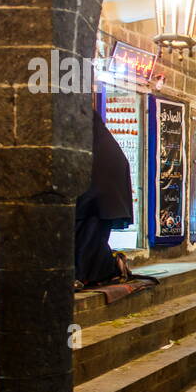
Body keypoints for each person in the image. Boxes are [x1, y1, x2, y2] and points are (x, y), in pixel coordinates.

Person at [74, 111, 134, 289]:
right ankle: (105, 269)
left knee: (85, 242)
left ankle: (88, 274)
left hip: (96, 200)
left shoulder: (95, 147)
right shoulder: (102, 142)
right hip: (103, 203)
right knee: (91, 242)